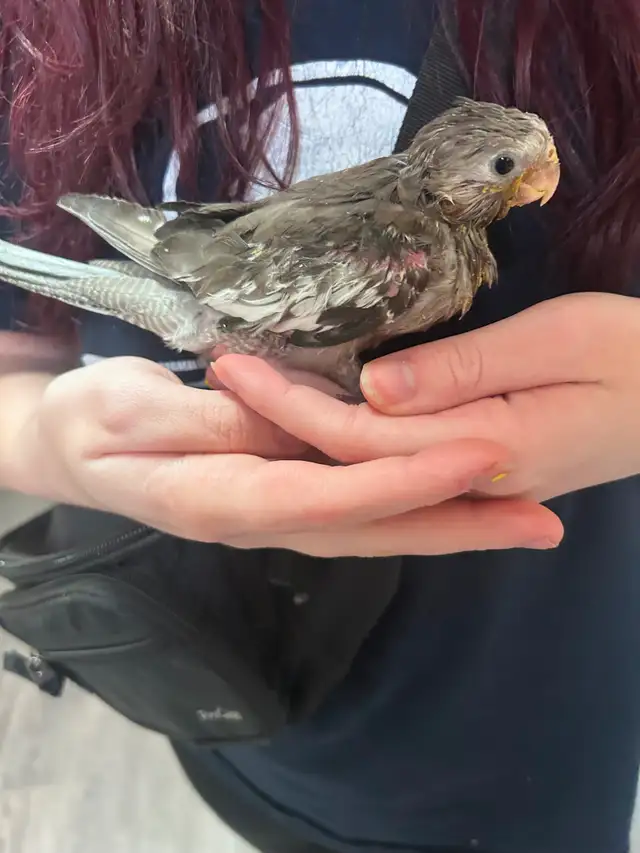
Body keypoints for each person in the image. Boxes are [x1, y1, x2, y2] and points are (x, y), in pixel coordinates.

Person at [1, 1, 639, 851]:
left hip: (521, 739)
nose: (530, 181)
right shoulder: (408, 251)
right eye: (504, 165)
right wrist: (50, 442)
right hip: (240, 685)